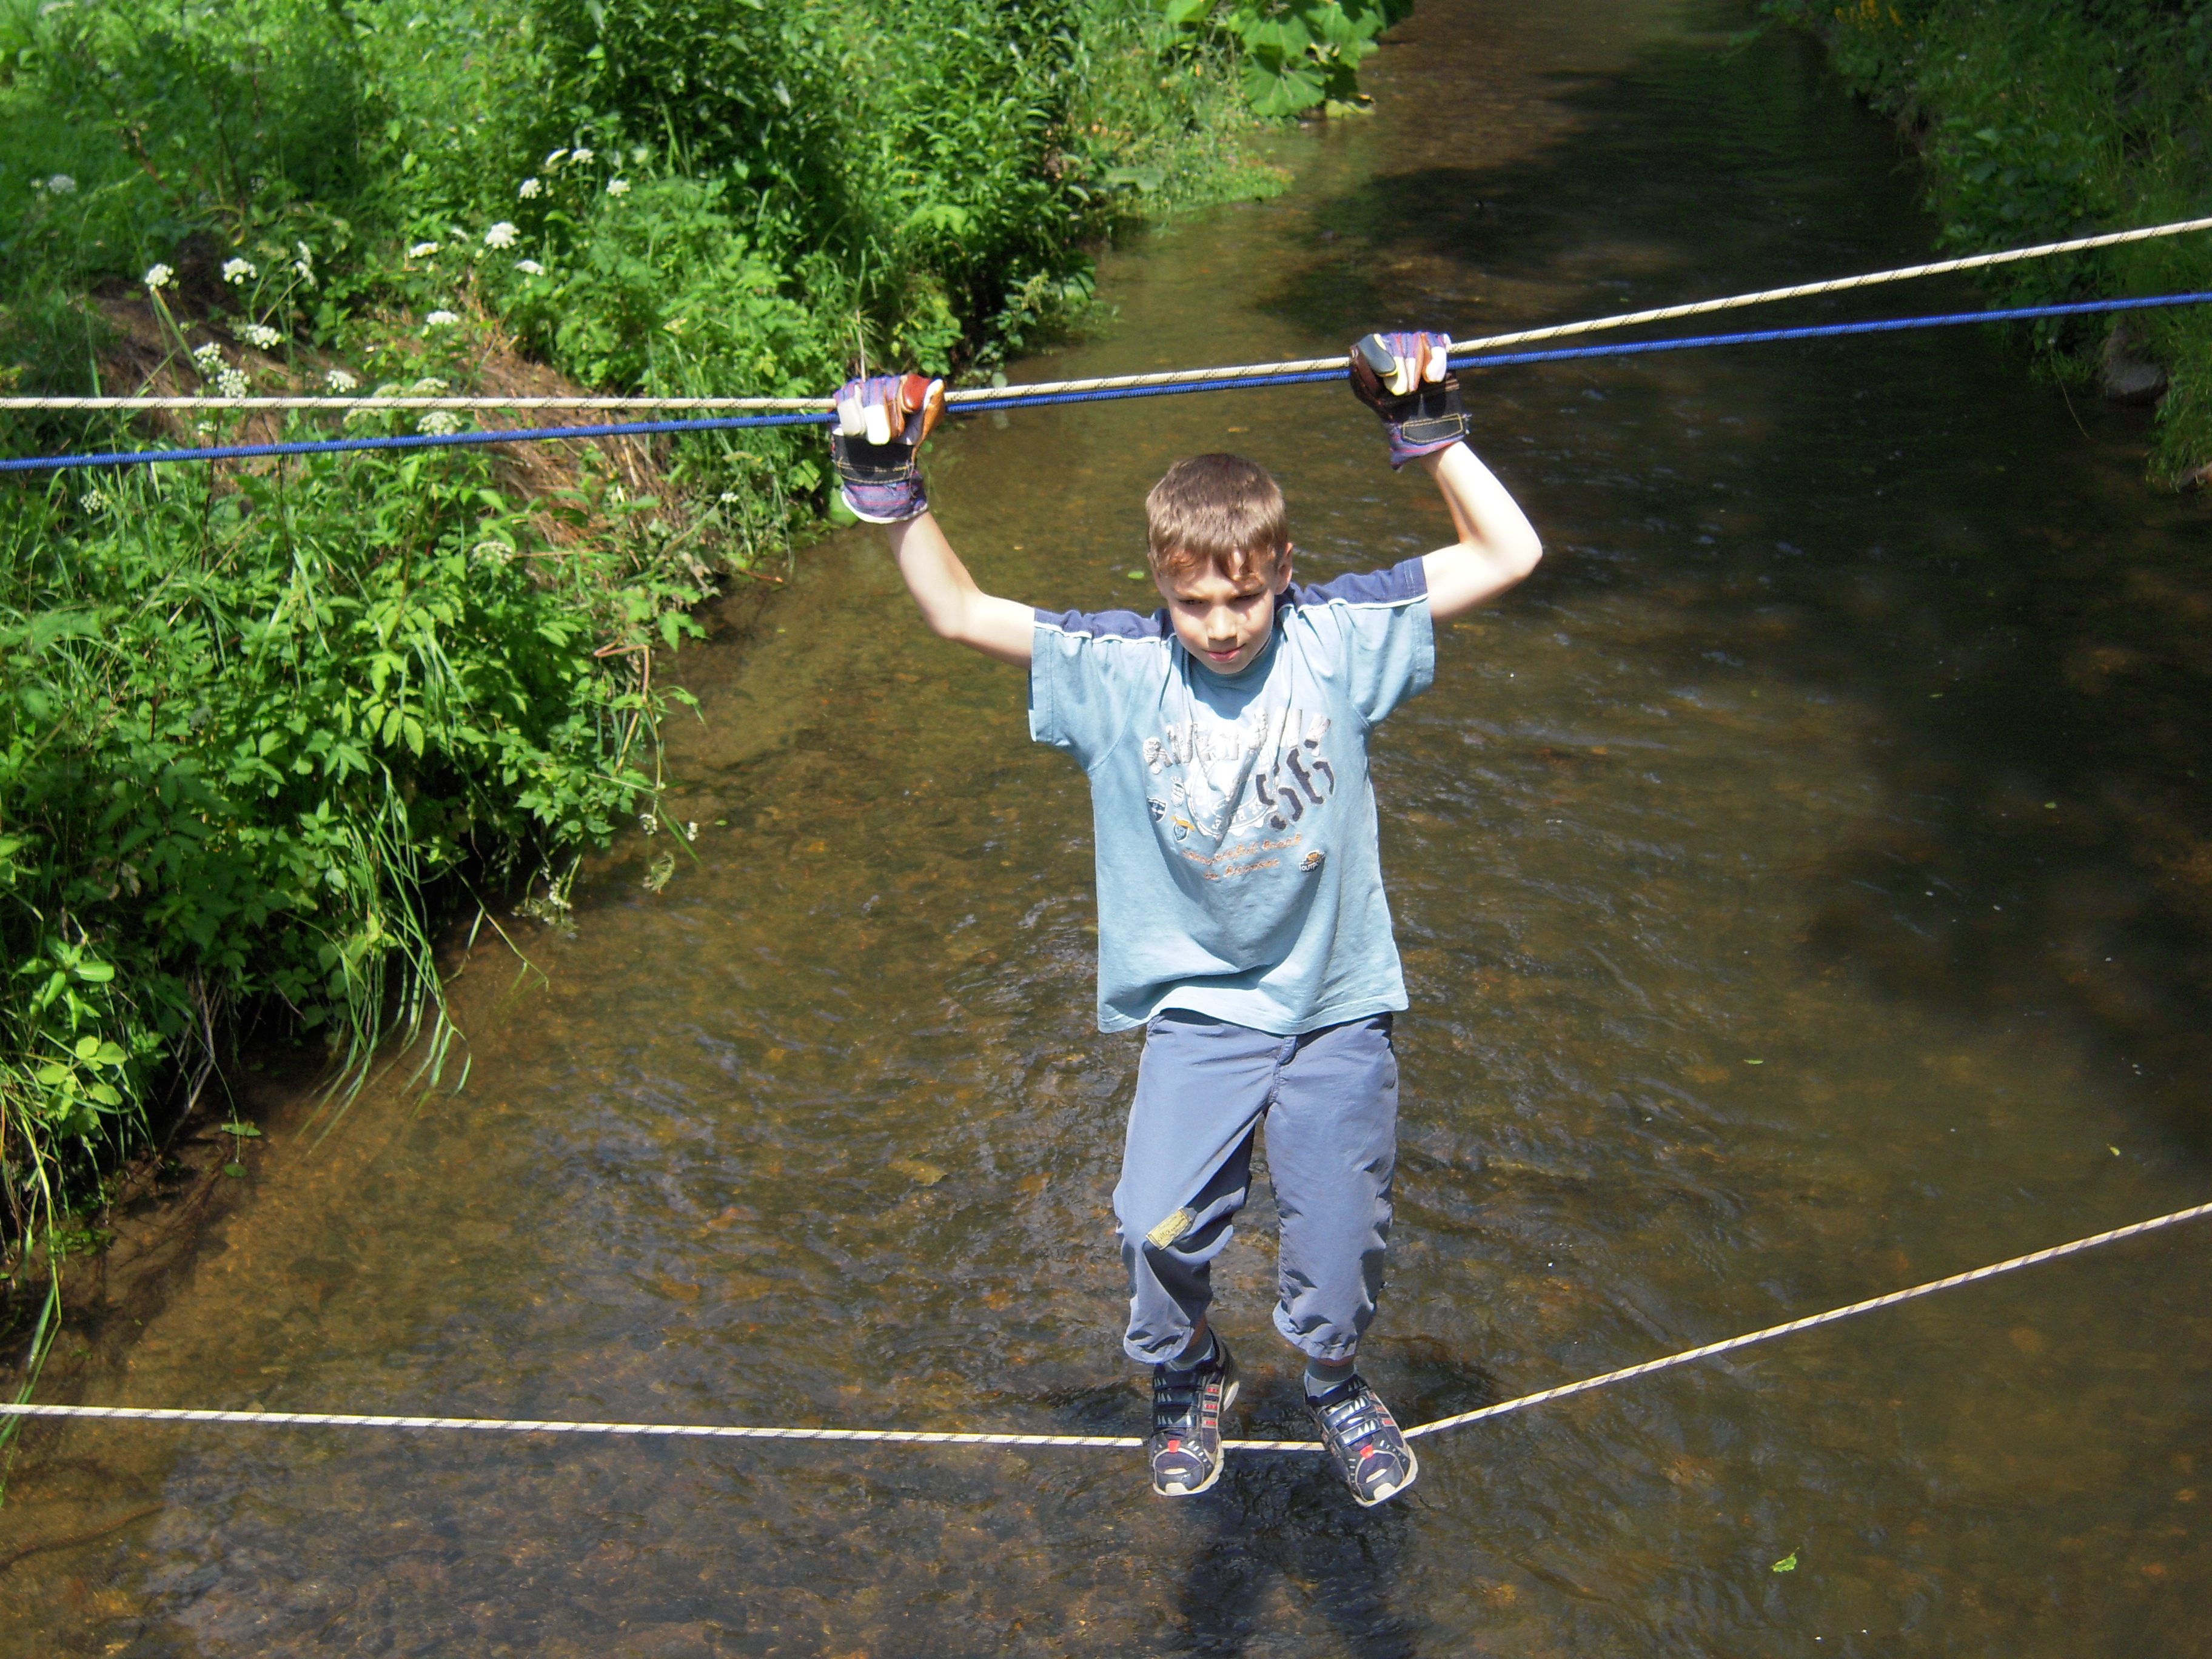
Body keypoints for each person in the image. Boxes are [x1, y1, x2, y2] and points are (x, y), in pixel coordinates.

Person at [828, 333, 1543, 1506]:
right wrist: (894, 492)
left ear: (1284, 571)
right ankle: (1191, 1365)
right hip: (1202, 1010)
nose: (1221, 624)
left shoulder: (1338, 638)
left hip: (1336, 1003)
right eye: (1193, 600)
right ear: (1159, 583)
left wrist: (1427, 430)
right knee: (1149, 1227)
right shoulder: (1117, 670)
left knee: (1341, 1243)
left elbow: (1511, 552)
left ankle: (1331, 1379)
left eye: (1244, 596)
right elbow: (956, 612)